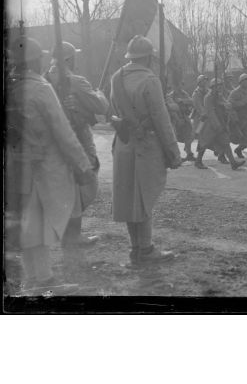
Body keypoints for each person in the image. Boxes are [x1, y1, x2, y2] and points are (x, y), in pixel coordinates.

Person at [6, 36, 95, 290]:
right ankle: (44, 280)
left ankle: (35, 278)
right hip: (43, 169)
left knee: (28, 224)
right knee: (40, 224)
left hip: (16, 169)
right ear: (35, 60)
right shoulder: (40, 88)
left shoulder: (10, 87)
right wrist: (82, 166)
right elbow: (63, 132)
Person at [110, 35, 182, 267]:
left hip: (123, 144)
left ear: (130, 56)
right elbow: (162, 120)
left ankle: (135, 249)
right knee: (144, 199)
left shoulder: (116, 78)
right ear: (149, 57)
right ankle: (147, 249)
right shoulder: (150, 80)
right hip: (146, 146)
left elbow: (113, 110)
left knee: (130, 198)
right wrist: (173, 152)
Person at [45, 41, 109, 248]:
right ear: (70, 59)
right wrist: (99, 93)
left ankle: (69, 233)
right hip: (78, 138)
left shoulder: (44, 79)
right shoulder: (76, 81)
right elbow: (101, 106)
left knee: (69, 185)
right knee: (88, 184)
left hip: (54, 141)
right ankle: (72, 235)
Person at [197, 78, 246, 170]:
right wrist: (217, 125)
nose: (220, 88)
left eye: (220, 85)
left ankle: (233, 163)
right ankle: (198, 161)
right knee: (205, 143)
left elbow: (227, 104)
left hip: (220, 123)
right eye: (217, 86)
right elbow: (210, 112)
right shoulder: (208, 97)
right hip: (211, 125)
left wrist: (225, 105)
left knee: (226, 143)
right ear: (213, 87)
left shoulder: (219, 96)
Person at [166, 84, 195, 161]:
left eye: (181, 85)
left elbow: (192, 101)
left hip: (185, 117)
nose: (180, 87)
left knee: (189, 135)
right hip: (176, 119)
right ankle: (175, 156)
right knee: (174, 138)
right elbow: (173, 107)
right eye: (178, 85)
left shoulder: (184, 93)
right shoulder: (171, 95)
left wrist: (183, 101)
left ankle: (189, 153)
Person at [228, 73, 247, 159]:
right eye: (246, 81)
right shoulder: (235, 92)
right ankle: (221, 154)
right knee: (231, 138)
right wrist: (242, 103)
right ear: (241, 82)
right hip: (237, 119)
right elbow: (229, 104)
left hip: (245, 118)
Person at [191, 74, 208, 166]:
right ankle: (198, 161)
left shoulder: (207, 91)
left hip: (206, 118)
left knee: (204, 138)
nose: (205, 82)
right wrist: (205, 113)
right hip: (200, 119)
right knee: (202, 138)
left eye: (206, 80)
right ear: (199, 82)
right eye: (203, 80)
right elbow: (198, 106)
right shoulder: (196, 93)